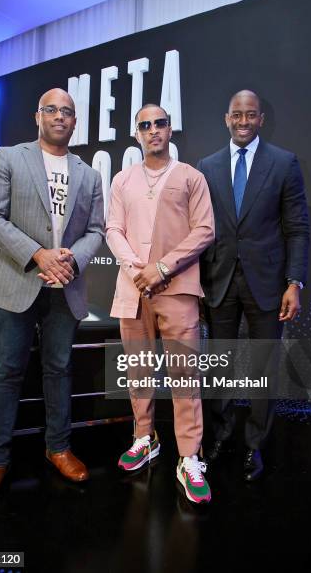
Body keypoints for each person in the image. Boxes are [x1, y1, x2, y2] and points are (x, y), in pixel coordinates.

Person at [0, 88, 104, 505]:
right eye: (52, 110)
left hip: (66, 287)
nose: (59, 117)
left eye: (67, 112)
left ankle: (58, 448)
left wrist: (70, 261)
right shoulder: (10, 157)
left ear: (75, 122)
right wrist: (38, 255)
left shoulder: (89, 174)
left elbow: (97, 231)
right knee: (9, 372)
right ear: (37, 116)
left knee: (59, 370)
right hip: (16, 284)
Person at [197, 90, 309, 481]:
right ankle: (220, 436)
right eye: (236, 115)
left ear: (261, 119)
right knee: (219, 366)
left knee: (264, 367)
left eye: (251, 115)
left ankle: (255, 445)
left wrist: (294, 282)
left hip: (268, 284)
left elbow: (297, 229)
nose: (243, 122)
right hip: (218, 280)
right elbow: (199, 231)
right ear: (226, 119)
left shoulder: (283, 163)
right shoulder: (206, 167)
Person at [106, 103, 214, 504]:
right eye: (145, 125)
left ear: (171, 130)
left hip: (178, 288)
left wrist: (162, 267)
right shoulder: (122, 180)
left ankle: (189, 457)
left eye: (160, 123)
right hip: (133, 288)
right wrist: (137, 267)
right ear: (137, 134)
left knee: (185, 378)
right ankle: (143, 438)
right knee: (138, 373)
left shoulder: (191, 177)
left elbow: (205, 230)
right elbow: (112, 228)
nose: (153, 130)